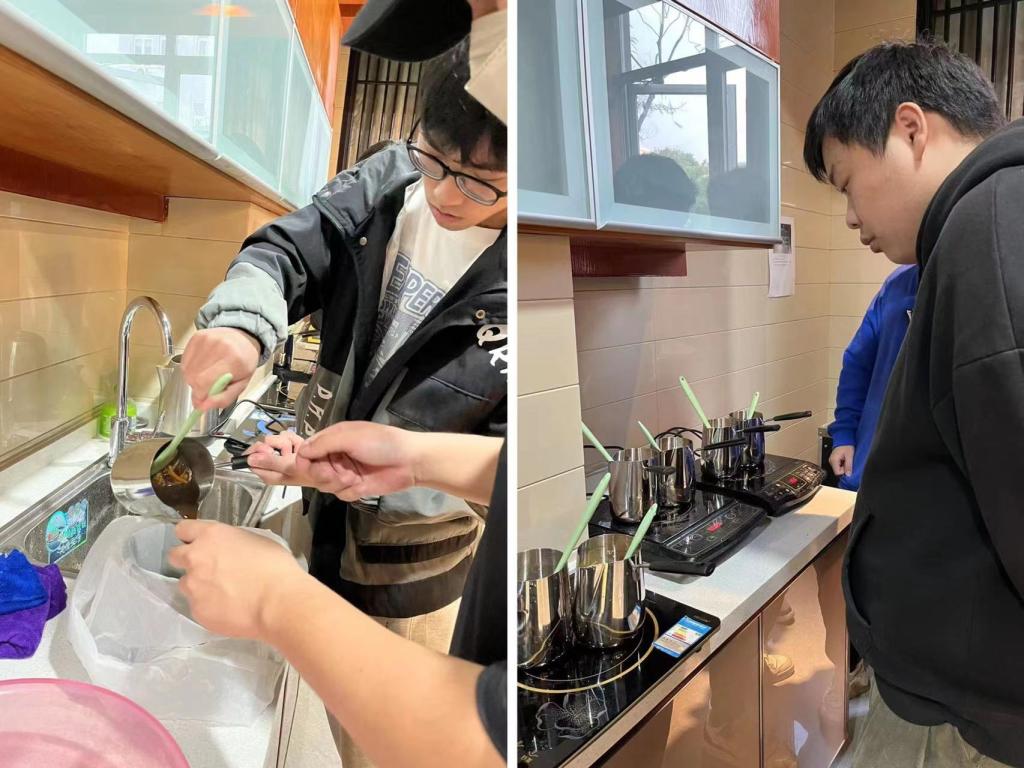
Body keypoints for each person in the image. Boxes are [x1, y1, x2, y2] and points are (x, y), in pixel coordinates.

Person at [179, 37, 506, 766]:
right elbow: (286, 252)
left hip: (419, 577)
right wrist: (242, 324)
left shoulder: (523, 281)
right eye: (435, 159)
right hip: (325, 523)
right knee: (338, 728)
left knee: (392, 745)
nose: (445, 195)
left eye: (481, 183)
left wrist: (403, 474)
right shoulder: (388, 179)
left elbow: (508, 467)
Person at [804, 39, 1023, 766]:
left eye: (846, 183)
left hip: (971, 716)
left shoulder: (994, 224)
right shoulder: (973, 231)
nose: (849, 216)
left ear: (910, 129)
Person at [169, 423, 506, 768]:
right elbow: (510, 463)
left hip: (408, 585)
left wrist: (273, 598)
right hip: (345, 566)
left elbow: (481, 742)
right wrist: (410, 460)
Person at [828, 264, 919, 490]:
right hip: (865, 475)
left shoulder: (970, 284)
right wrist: (845, 434)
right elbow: (857, 364)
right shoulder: (898, 283)